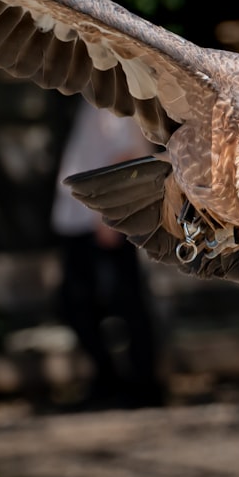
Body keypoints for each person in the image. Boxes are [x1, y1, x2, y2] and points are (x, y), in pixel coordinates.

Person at [51, 99, 166, 409]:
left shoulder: (111, 98)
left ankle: (139, 384)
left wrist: (109, 214)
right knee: (86, 302)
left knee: (122, 300)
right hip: (83, 219)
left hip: (98, 220)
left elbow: (127, 153)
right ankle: (116, 380)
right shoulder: (96, 97)